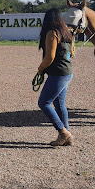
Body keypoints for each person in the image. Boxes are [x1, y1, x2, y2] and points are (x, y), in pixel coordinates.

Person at [37, 8, 75, 146]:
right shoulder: (66, 33)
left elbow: (50, 57)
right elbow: (71, 53)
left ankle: (63, 132)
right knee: (59, 104)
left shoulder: (52, 33)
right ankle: (67, 135)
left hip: (58, 74)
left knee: (44, 103)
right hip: (67, 73)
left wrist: (40, 69)